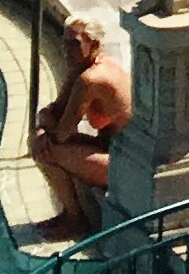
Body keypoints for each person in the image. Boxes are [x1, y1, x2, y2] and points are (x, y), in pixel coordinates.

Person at [32, 16, 129, 233]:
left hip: (124, 168)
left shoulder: (92, 79)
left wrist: (44, 127)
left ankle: (75, 219)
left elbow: (62, 133)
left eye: (74, 44)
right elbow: (54, 110)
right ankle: (69, 215)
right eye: (65, 42)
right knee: (40, 141)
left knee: (47, 149)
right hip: (109, 151)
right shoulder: (81, 69)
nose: (67, 50)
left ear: (93, 45)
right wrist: (44, 123)